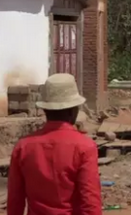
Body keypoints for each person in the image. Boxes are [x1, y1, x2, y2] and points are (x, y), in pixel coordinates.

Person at [7, 74, 102, 215]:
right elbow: (90, 200)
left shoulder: (23, 147)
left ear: (45, 110)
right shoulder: (85, 146)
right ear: (73, 111)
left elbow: (15, 200)